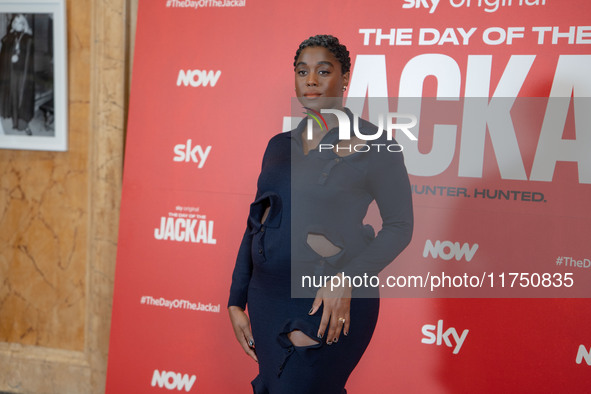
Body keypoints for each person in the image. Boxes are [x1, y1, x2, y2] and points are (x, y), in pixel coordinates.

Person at [228, 35, 413, 394]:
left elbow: (400, 227)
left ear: (345, 78)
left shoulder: (378, 145)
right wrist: (236, 299)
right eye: (302, 71)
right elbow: (256, 224)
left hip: (328, 295)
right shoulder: (278, 147)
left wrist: (348, 279)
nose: (310, 80)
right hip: (266, 297)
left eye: (323, 70)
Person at [0, 14, 35, 135]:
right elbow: (4, 53)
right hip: (10, 72)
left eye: (19, 22)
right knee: (11, 95)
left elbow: (28, 61)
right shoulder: (10, 36)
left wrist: (17, 58)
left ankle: (23, 125)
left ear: (24, 25)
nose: (16, 24)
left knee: (21, 98)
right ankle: (12, 118)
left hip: (22, 75)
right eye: (14, 22)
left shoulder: (28, 38)